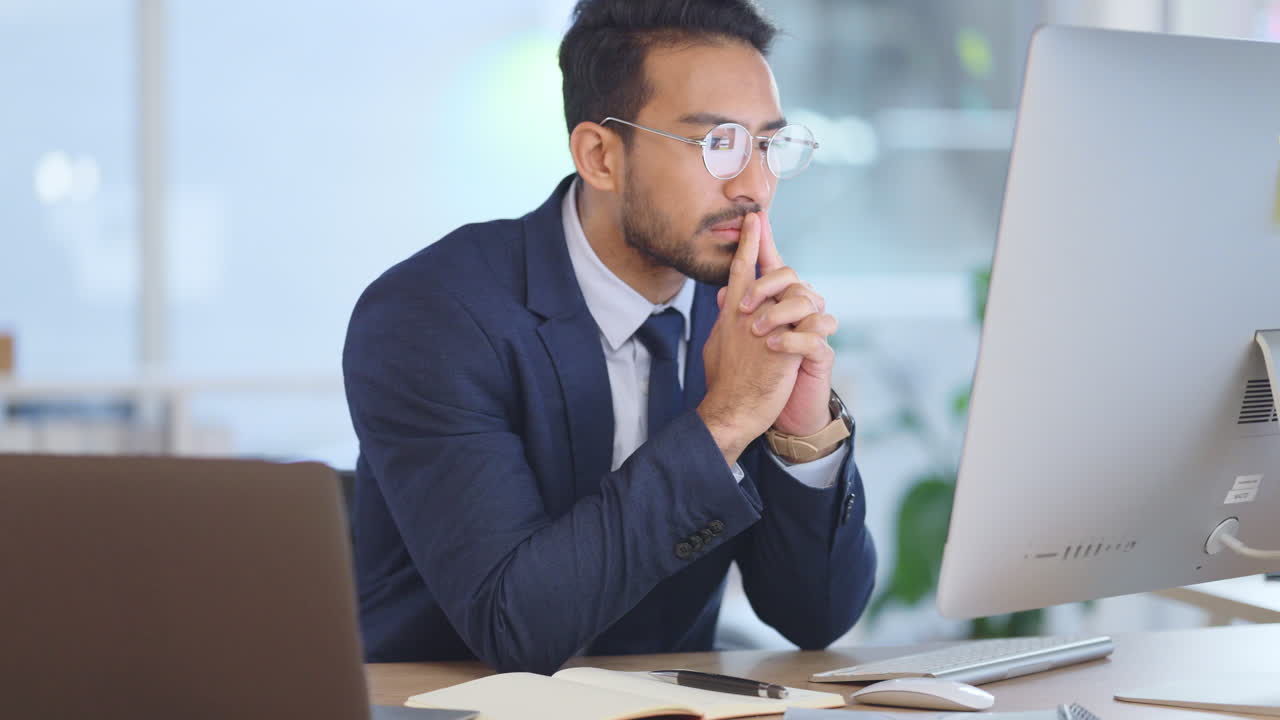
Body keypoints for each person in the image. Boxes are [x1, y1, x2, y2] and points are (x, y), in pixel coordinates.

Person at [343, 0, 875, 674]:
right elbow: (515, 627)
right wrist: (728, 420)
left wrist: (805, 440)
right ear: (600, 155)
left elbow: (815, 618)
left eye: (768, 144)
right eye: (719, 144)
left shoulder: (737, 313)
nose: (755, 186)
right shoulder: (432, 316)